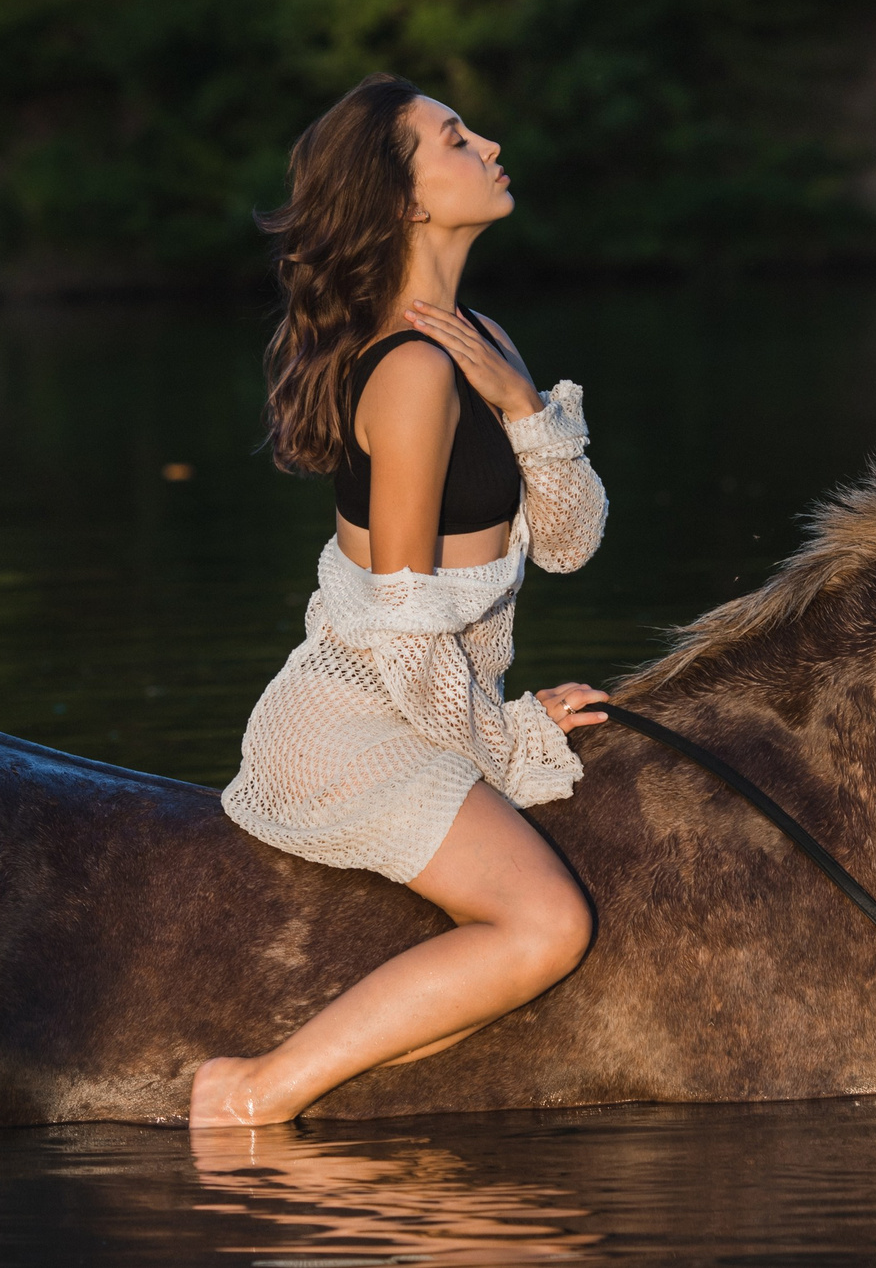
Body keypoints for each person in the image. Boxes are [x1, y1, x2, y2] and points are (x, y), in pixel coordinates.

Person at [194, 74, 613, 1129]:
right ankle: (250, 1092)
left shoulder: (482, 339)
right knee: (546, 924)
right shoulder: (414, 373)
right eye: (455, 137)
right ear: (407, 201)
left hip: (429, 701)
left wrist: (523, 405)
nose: (491, 142)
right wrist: (506, 737)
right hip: (356, 723)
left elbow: (568, 541)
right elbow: (399, 628)